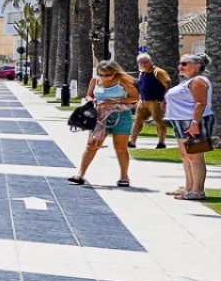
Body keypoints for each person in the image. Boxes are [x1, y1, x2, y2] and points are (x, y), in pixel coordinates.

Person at [68, 60, 138, 188]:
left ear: (114, 73)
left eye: (108, 75)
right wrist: (92, 100)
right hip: (100, 116)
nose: (104, 78)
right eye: (101, 75)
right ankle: (80, 174)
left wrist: (114, 101)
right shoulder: (95, 81)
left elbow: (135, 97)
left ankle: (124, 176)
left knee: (120, 148)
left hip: (120, 116)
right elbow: (88, 95)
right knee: (91, 145)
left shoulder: (121, 81)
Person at [165, 51, 213, 202]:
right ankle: (189, 187)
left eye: (185, 64)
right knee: (186, 156)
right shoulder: (189, 81)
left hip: (194, 121)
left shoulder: (198, 81)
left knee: (195, 156)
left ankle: (198, 191)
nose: (181, 66)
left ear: (197, 66)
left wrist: (194, 124)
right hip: (181, 121)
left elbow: (200, 103)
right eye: (180, 63)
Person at [135, 50, 172, 149]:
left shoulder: (158, 72)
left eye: (146, 62)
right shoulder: (141, 73)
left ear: (150, 61)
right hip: (143, 100)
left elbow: (168, 85)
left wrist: (165, 100)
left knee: (158, 121)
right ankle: (132, 141)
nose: (143, 64)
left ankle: (161, 143)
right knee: (138, 120)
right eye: (141, 62)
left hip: (157, 101)